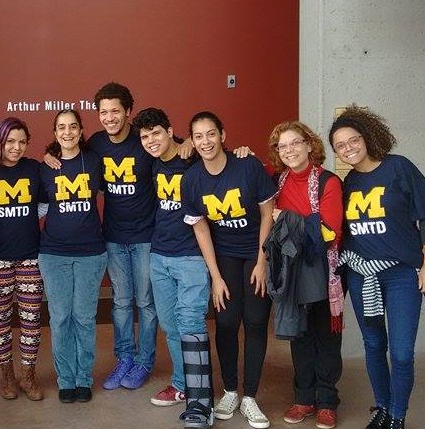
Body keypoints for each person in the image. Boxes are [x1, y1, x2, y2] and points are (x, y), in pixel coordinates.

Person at [330, 106, 425, 429]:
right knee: (374, 345)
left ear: (367, 136)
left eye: (354, 140)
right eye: (340, 145)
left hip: (402, 274)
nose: (349, 148)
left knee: (401, 351)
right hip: (362, 276)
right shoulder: (346, 184)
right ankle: (383, 407)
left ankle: (398, 415)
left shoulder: (398, 168)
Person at [45, 82, 158, 391]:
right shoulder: (95, 143)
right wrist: (50, 152)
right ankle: (124, 359)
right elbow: (68, 150)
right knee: (121, 303)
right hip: (113, 237)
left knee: (146, 303)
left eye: (115, 111)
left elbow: (176, 147)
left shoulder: (145, 141)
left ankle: (144, 362)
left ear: (128, 112)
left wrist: (188, 144)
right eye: (104, 112)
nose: (109, 117)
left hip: (146, 236)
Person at [181, 111, 276, 429]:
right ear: (192, 142)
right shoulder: (192, 179)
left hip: (255, 251)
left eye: (210, 134)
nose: (205, 141)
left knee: (256, 320)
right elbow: (201, 229)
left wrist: (263, 261)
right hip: (225, 257)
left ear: (222, 134)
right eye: (198, 136)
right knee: (225, 320)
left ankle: (250, 396)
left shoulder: (247, 165)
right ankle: (231, 390)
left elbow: (267, 213)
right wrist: (215, 277)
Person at [132, 108, 215, 429]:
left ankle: (201, 398)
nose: (151, 141)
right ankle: (183, 384)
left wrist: (242, 151)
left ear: (170, 131)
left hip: (192, 256)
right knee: (170, 324)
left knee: (191, 323)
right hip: (160, 255)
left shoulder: (192, 156)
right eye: (144, 136)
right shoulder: (152, 163)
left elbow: (222, 158)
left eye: (156, 133)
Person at [264, 121, 344, 429]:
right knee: (298, 334)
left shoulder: (329, 182)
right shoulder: (277, 181)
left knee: (325, 335)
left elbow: (330, 233)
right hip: (291, 269)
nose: (289, 150)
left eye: (295, 143)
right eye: (282, 146)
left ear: (309, 145)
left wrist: (287, 218)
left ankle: (326, 400)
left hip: (322, 268)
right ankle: (303, 398)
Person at [38, 109, 107, 404]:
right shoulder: (45, 167)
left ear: (81, 131)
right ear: (55, 134)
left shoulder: (94, 161)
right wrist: (44, 155)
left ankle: (83, 379)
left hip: (91, 252)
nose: (67, 132)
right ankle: (65, 379)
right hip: (54, 254)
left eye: (73, 127)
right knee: (60, 317)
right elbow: (41, 207)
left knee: (84, 318)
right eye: (61, 128)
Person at [0, 117, 45, 401]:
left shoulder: (34, 169)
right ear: (0, 141)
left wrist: (30, 218)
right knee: (1, 320)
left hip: (30, 257)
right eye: (10, 142)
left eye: (21, 142)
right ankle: (7, 375)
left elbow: (44, 204)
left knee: (32, 320)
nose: (16, 147)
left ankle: (28, 376)